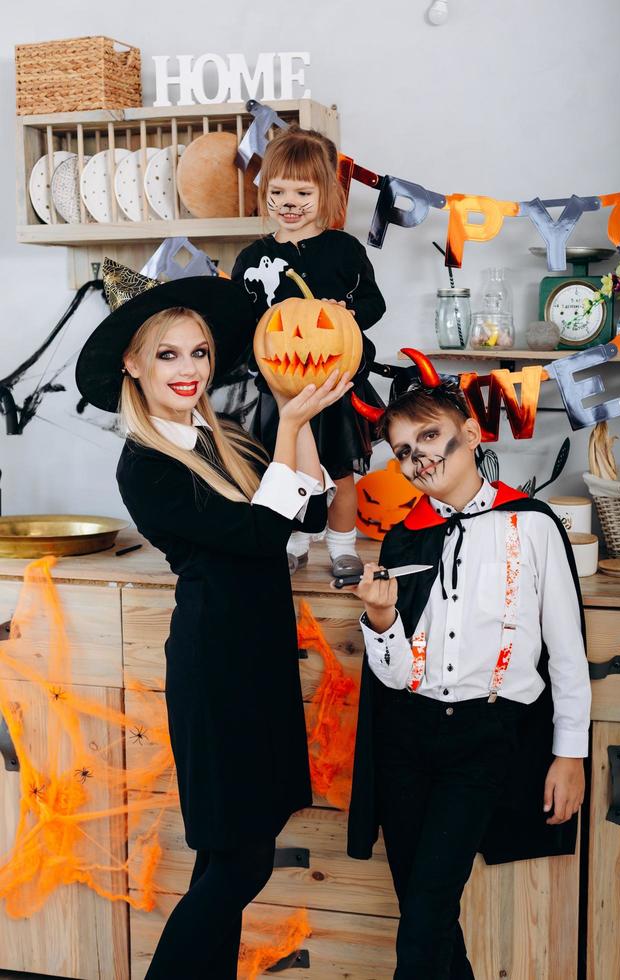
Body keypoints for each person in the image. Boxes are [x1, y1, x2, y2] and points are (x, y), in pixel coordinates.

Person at [75, 258, 352, 979]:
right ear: (133, 366)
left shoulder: (223, 438)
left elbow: (312, 512)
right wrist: (290, 420)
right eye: (167, 354)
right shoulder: (146, 465)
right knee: (235, 861)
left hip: (256, 656)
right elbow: (263, 535)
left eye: (198, 352)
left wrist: (302, 411)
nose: (188, 367)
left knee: (237, 859)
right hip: (216, 664)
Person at [345, 351, 592, 979]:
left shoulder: (533, 526)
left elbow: (566, 650)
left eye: (429, 436)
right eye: (402, 450)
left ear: (471, 433)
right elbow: (395, 675)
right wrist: (379, 624)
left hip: (484, 742)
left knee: (426, 910)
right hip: (406, 739)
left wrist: (570, 755)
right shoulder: (403, 539)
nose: (419, 459)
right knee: (427, 914)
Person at [231, 124, 386, 577]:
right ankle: (293, 541)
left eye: (303, 191)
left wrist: (347, 311)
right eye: (277, 191)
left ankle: (341, 548)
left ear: (329, 193)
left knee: (338, 474)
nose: (289, 203)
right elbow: (244, 323)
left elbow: (375, 302)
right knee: (281, 469)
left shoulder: (344, 250)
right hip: (278, 388)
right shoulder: (252, 259)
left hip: (334, 385)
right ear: (265, 195)